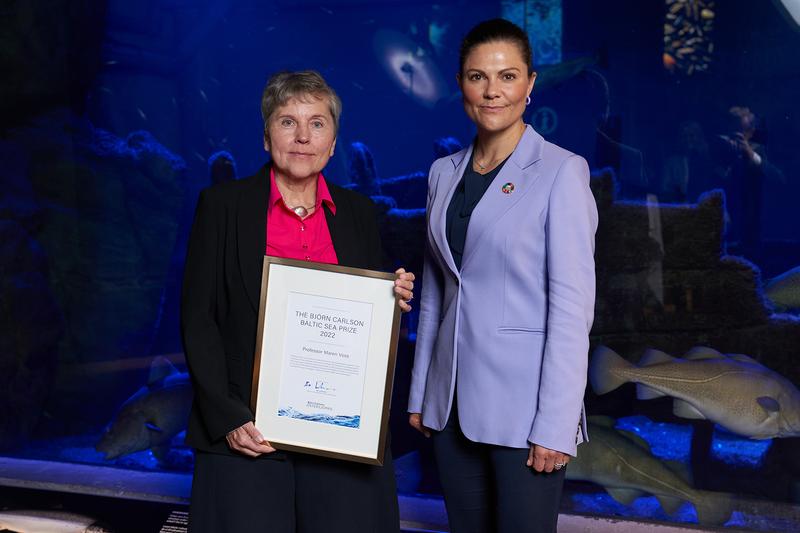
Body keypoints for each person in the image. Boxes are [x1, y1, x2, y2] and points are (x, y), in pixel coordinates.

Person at [181, 70, 414, 533]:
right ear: (267, 137)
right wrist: (228, 418)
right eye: (288, 122)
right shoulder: (221, 205)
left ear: (333, 142)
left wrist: (393, 296)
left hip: (342, 438)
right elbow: (197, 318)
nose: (303, 136)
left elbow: (365, 323)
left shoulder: (361, 214)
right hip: (247, 435)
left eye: (318, 123)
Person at [407, 19, 597, 533]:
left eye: (507, 76)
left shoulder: (562, 171)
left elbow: (572, 309)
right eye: (477, 76)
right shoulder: (442, 173)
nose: (492, 91)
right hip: (449, 405)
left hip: (525, 411)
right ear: (460, 84)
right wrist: (422, 390)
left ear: (531, 84)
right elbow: (436, 293)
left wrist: (556, 423)